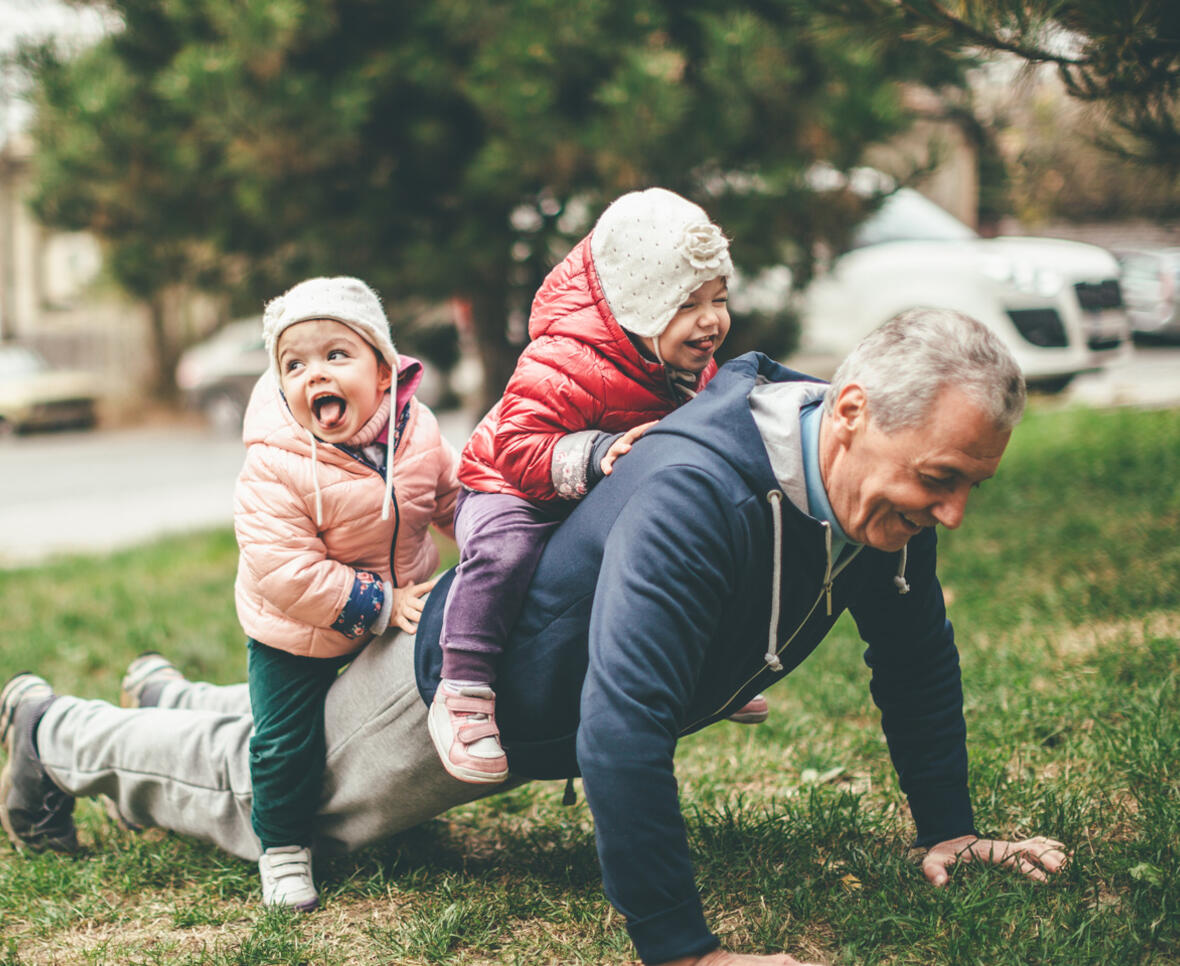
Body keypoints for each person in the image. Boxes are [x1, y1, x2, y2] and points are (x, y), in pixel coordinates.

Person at [1, 308, 1068, 966]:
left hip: (505, 685)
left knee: (269, 740)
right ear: (848, 415)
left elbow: (915, 653)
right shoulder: (704, 491)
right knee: (255, 793)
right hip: (452, 700)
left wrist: (949, 827)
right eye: (940, 480)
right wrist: (681, 951)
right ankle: (53, 733)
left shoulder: (867, 494)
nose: (952, 513)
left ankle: (180, 697)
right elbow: (622, 727)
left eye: (970, 485)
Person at [432, 186, 766, 784]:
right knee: (505, 553)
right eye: (688, 304)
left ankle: (707, 665)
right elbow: (515, 447)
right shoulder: (561, 359)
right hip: (511, 484)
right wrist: (596, 454)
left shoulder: (683, 363)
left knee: (684, 544)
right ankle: (463, 687)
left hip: (597, 486)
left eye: (719, 297)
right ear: (637, 305)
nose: (712, 319)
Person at [219, 276, 461, 909]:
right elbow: (283, 568)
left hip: (396, 602)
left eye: (336, 355)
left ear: (384, 371)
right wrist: (381, 605)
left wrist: (488, 530)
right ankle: (283, 847)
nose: (313, 375)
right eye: (293, 365)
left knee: (397, 711)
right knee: (286, 741)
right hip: (296, 628)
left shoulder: (418, 432)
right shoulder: (275, 462)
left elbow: (451, 498)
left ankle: (397, 804)